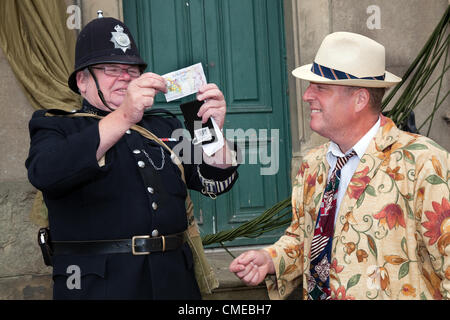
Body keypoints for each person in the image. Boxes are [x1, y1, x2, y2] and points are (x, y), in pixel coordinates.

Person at [25, 13, 239, 299]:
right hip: (99, 287)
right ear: (82, 80)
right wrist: (125, 115)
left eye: (132, 70)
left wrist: (212, 129)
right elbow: (46, 172)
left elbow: (212, 181)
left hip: (174, 281)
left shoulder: (163, 124)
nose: (125, 77)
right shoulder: (56, 124)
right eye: (111, 69)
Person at [229, 31, 449, 300]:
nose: (307, 95)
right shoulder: (312, 165)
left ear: (360, 99)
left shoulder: (424, 163)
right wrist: (271, 258)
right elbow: (305, 238)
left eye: (320, 88)